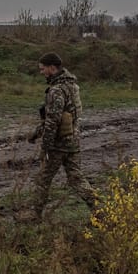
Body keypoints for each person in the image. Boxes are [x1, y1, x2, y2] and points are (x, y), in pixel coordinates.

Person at [25, 52, 97, 220]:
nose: (41, 72)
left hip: (58, 144)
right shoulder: (73, 86)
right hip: (73, 141)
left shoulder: (56, 90)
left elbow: (53, 121)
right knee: (77, 179)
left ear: (52, 68)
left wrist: (45, 147)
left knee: (43, 179)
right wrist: (35, 134)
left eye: (43, 69)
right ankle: (100, 210)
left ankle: (34, 214)